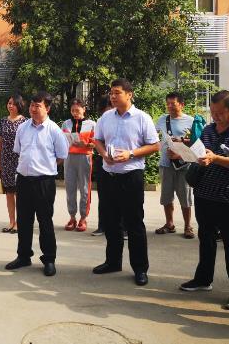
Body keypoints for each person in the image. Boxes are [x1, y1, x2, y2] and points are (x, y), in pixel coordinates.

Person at [180, 90, 229, 311]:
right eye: (213, 112)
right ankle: (203, 279)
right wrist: (190, 155)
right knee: (206, 239)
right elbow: (200, 152)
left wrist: (216, 158)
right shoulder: (209, 129)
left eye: (220, 113)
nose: (216, 117)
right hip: (204, 194)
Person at [92, 78, 160, 286]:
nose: (112, 96)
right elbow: (97, 139)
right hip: (108, 176)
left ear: (129, 94)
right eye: (111, 93)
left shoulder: (142, 118)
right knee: (110, 221)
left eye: (117, 93)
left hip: (131, 176)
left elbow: (155, 145)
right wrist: (104, 154)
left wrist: (130, 154)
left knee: (134, 223)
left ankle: (140, 268)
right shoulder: (106, 117)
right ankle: (113, 262)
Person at [5, 91, 69, 276]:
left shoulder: (54, 130)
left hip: (44, 182)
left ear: (47, 108)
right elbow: (19, 151)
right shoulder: (22, 128)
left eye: (38, 106)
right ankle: (23, 256)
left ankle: (49, 259)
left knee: (45, 221)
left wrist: (43, 167)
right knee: (24, 220)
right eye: (32, 105)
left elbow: (61, 156)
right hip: (24, 180)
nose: (33, 109)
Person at [155, 92, 195, 239]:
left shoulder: (191, 121)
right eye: (168, 104)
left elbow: (197, 144)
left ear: (182, 105)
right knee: (166, 196)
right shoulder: (162, 119)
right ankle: (169, 224)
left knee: (185, 196)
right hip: (166, 164)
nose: (170, 106)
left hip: (184, 165)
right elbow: (153, 136)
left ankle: (188, 226)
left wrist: (181, 152)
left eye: (173, 103)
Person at [61, 98, 96, 232]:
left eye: (77, 110)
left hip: (84, 157)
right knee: (70, 188)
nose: (75, 113)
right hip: (69, 157)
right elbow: (61, 140)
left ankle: (83, 218)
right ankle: (72, 217)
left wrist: (86, 144)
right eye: (72, 110)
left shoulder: (92, 124)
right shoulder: (66, 123)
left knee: (84, 188)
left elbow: (96, 143)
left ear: (84, 109)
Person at [0, 95, 27, 233]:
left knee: (19, 194)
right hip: (6, 161)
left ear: (19, 105)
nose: (10, 106)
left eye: (13, 104)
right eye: (9, 103)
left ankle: (19, 223)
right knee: (9, 193)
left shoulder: (25, 122)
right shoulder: (3, 121)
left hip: (20, 161)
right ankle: (11, 221)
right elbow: (0, 141)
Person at [91, 95, 114, 237]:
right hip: (102, 159)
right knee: (103, 195)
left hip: (120, 160)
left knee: (120, 197)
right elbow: (96, 140)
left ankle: (124, 227)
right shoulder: (101, 121)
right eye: (105, 110)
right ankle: (102, 226)